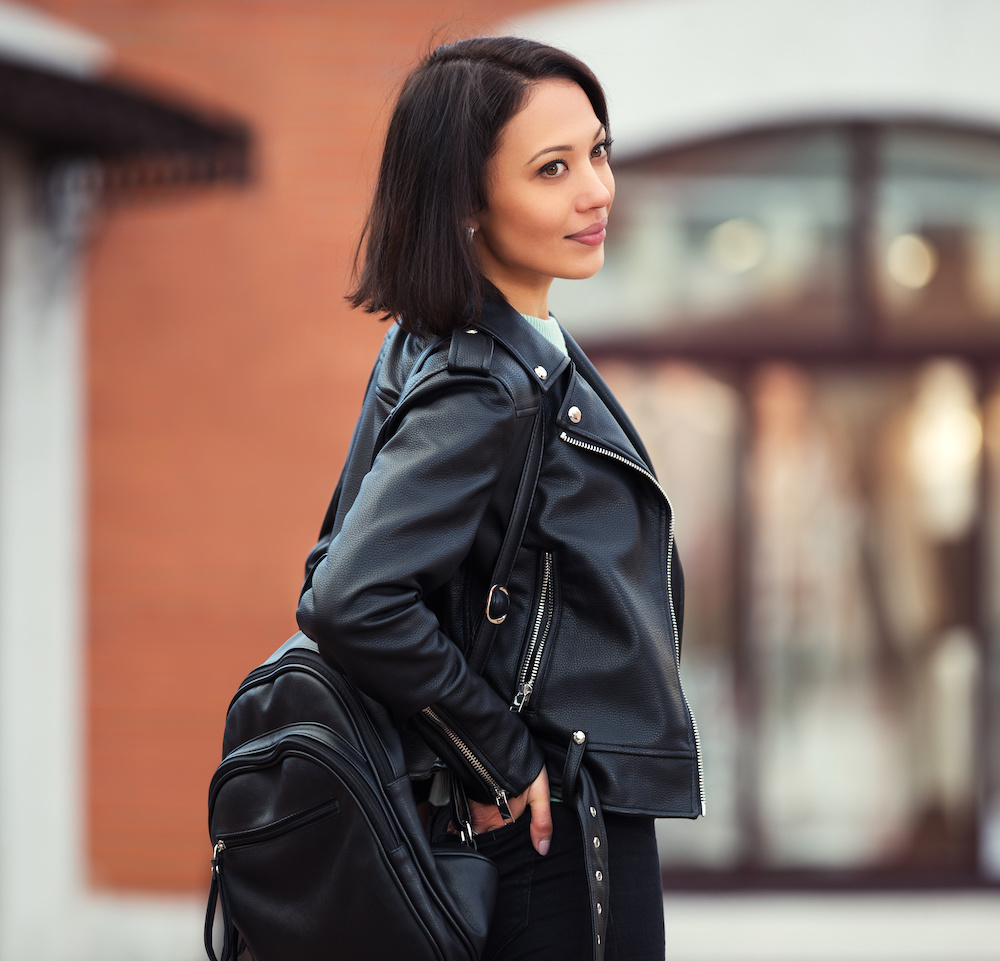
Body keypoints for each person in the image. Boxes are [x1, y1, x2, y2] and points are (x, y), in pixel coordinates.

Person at [296, 36, 703, 961]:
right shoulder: (487, 380)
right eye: (552, 168)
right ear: (468, 204)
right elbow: (351, 594)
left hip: (550, 816)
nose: (596, 190)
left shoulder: (475, 343)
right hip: (547, 832)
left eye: (597, 151)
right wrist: (503, 756)